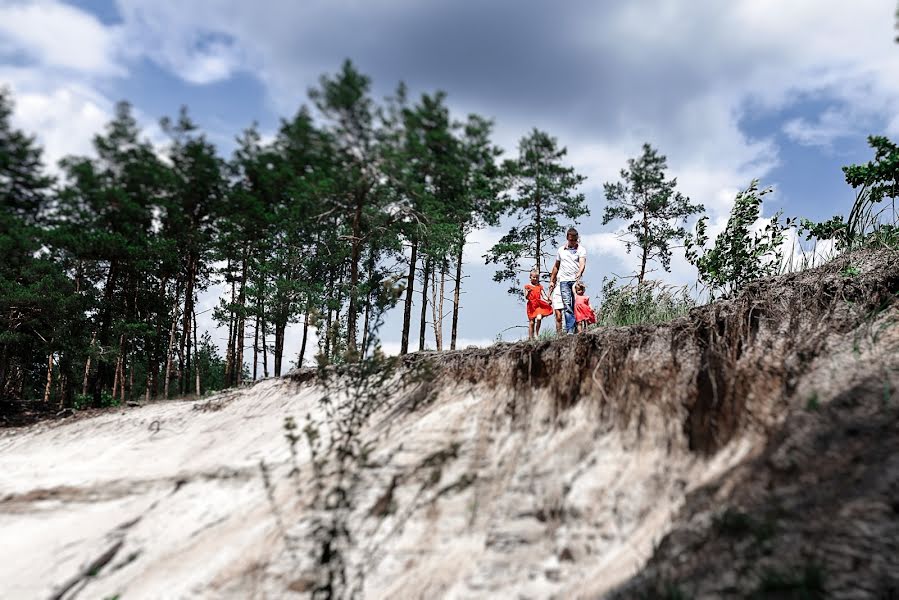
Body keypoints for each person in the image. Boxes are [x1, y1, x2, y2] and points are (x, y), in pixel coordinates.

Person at [549, 227, 587, 335]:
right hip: (564, 281)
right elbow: (556, 266)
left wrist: (579, 272)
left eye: (575, 240)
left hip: (575, 281)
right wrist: (552, 280)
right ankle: (570, 330)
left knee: (576, 305)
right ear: (567, 238)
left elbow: (582, 263)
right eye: (571, 240)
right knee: (567, 306)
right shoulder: (561, 250)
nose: (573, 242)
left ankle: (577, 328)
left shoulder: (581, 249)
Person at [524, 269, 553, 340]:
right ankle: (531, 337)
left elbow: (543, 295)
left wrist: (548, 299)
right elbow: (526, 297)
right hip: (531, 305)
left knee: (539, 318)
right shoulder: (527, 286)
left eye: (537, 277)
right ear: (530, 277)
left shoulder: (539, 286)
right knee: (531, 322)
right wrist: (528, 292)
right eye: (534, 277)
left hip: (538, 305)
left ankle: (536, 333)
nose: (535, 279)